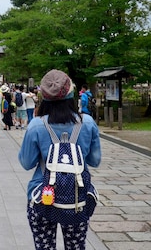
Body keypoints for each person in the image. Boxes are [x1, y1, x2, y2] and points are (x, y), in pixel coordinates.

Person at [18, 69, 101, 250]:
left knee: (44, 246)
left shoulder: (37, 125)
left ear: (44, 96)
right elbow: (95, 160)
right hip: (78, 196)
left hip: (42, 195)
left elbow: (26, 163)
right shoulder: (87, 122)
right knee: (76, 245)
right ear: (71, 94)